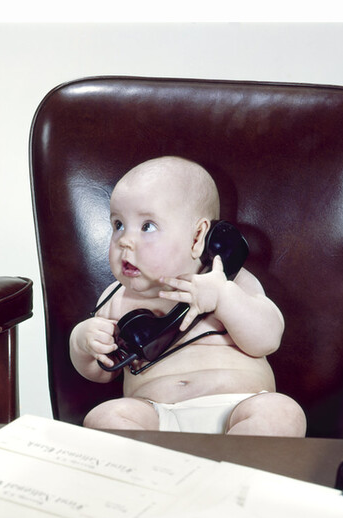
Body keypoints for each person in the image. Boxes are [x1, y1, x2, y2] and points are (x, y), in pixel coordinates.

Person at [69, 156, 306, 437]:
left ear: (197, 238)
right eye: (118, 224)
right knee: (103, 417)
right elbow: (102, 371)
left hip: (237, 411)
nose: (124, 240)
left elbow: (267, 338)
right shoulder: (116, 298)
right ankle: (157, 472)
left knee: (282, 413)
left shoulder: (229, 280)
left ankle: (232, 475)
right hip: (157, 418)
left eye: (147, 226)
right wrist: (84, 342)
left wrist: (223, 298)